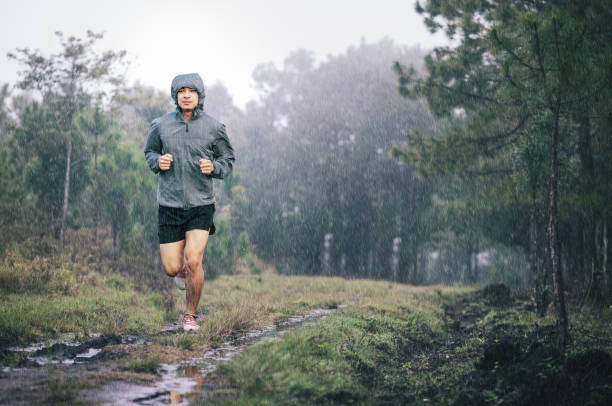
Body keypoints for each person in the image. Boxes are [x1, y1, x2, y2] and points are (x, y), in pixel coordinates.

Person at [144, 73, 235, 331]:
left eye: (191, 91)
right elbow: (149, 151)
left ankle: (190, 315)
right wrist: (156, 162)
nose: (186, 95)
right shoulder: (160, 125)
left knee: (194, 259)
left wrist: (214, 166)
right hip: (170, 205)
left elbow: (227, 160)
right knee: (172, 268)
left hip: (201, 204)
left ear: (199, 96)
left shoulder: (214, 127)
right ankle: (182, 272)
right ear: (175, 95)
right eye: (181, 90)